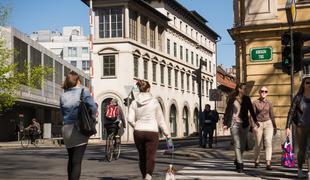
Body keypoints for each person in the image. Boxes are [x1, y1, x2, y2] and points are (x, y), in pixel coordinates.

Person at [128, 80, 171, 180]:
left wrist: (137, 125)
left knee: (142, 156)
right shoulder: (154, 102)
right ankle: (148, 176)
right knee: (150, 155)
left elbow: (130, 119)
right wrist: (167, 134)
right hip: (152, 131)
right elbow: (161, 120)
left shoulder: (134, 103)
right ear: (148, 89)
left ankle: (144, 176)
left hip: (138, 131)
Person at [60, 71, 97, 180]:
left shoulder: (63, 95)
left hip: (66, 129)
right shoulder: (83, 91)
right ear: (77, 80)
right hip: (79, 128)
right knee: (77, 162)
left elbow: (62, 112)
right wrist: (93, 118)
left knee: (71, 159)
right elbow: (93, 108)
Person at [223, 83, 259, 173]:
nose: (245, 90)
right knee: (237, 144)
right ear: (239, 89)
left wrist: (255, 120)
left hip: (244, 124)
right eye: (243, 88)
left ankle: (237, 158)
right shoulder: (232, 99)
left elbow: (251, 110)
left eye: (245, 89)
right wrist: (225, 124)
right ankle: (240, 164)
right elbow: (227, 111)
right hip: (234, 124)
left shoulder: (247, 99)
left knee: (242, 146)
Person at [286, 76, 310, 178]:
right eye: (307, 83)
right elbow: (291, 112)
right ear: (303, 85)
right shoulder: (298, 97)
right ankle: (299, 169)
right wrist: (287, 126)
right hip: (301, 126)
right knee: (302, 149)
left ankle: (309, 171)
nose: (309, 84)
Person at [252, 86, 277, 170]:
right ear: (259, 92)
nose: (264, 92)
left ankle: (268, 163)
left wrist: (274, 126)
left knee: (268, 142)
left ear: (267, 93)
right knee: (258, 144)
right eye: (262, 91)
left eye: (265, 91)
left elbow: (272, 115)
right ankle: (257, 161)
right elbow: (252, 116)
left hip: (268, 123)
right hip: (258, 123)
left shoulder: (269, 103)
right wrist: (254, 125)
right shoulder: (255, 102)